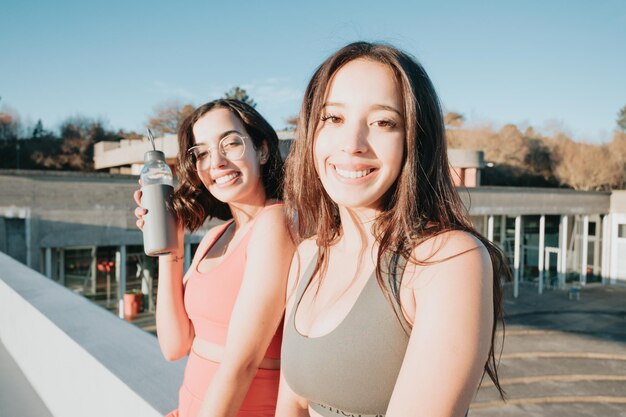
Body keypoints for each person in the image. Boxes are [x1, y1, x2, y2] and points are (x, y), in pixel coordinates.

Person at [277, 42, 508, 417]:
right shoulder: (307, 255)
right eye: (333, 118)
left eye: (383, 122)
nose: (352, 145)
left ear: (415, 140)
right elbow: (290, 405)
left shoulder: (445, 260)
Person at [134, 99, 294, 417]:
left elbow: (242, 363)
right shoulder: (214, 238)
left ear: (262, 150)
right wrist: (171, 247)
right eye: (203, 153)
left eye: (231, 143)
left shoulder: (276, 222)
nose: (216, 162)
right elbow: (174, 345)